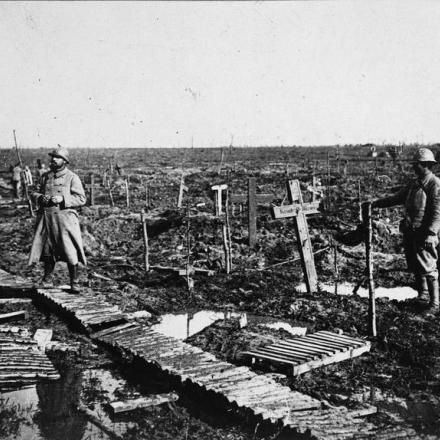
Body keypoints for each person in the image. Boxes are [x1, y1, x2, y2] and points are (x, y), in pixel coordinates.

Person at [372, 147, 440, 313]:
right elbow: (396, 198)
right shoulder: (414, 183)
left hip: (425, 233)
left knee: (428, 267)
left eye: (417, 164)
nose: (414, 167)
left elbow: (438, 212)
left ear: (426, 165)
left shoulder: (434, 184)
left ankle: (435, 304)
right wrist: (376, 203)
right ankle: (422, 295)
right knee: (415, 264)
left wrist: (431, 233)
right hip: (411, 231)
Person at [28, 146, 87, 293]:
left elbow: (81, 198)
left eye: (58, 158)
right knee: (47, 249)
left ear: (65, 161)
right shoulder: (45, 176)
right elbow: (33, 192)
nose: (54, 160)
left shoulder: (72, 177)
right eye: (53, 157)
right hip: (46, 219)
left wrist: (62, 199)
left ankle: (75, 282)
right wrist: (41, 197)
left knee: (69, 250)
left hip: (64, 220)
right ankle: (47, 279)